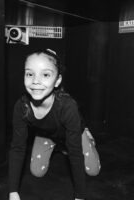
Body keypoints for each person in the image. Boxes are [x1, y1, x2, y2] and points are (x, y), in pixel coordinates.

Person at [9, 48, 101, 200]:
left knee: (93, 170)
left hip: (72, 134)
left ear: (57, 80)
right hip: (47, 134)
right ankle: (57, 145)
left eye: (45, 74)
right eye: (29, 74)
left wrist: (80, 196)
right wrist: (13, 192)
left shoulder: (67, 105)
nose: (35, 81)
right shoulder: (21, 106)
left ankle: (85, 134)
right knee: (37, 171)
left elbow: (75, 153)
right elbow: (17, 148)